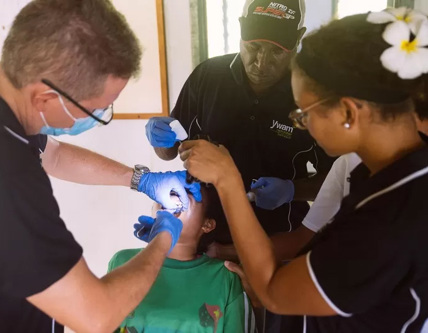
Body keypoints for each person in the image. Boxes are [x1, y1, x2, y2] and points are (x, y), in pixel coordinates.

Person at [0, 1, 200, 332]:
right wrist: (164, 235)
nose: (101, 117)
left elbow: (53, 155)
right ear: (44, 98)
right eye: (99, 109)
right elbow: (96, 316)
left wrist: (142, 180)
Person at [179, 8, 428, 332]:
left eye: (303, 113)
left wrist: (227, 178)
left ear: (348, 112)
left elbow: (274, 289)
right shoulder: (384, 176)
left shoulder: (394, 216)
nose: (302, 122)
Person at [145, 0, 336, 249]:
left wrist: (293, 190)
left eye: (277, 52)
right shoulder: (208, 77)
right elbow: (169, 151)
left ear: (298, 38)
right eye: (254, 47)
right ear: (240, 30)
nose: (261, 63)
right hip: (205, 240)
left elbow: (339, 181)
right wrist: (159, 137)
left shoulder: (311, 93)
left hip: (276, 243)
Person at [109, 187, 255, 333]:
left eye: (189, 193)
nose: (177, 192)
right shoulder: (124, 261)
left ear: (207, 225)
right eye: (171, 189)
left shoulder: (225, 276)